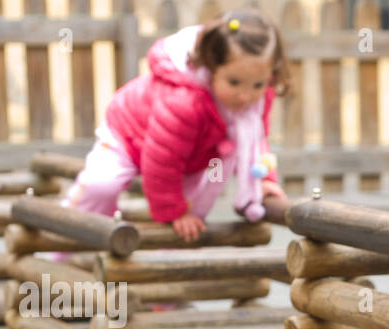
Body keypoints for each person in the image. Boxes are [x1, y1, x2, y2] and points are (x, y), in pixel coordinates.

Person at [60, 10, 289, 242]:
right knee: (101, 186)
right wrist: (174, 211)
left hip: (189, 154)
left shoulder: (259, 98)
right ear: (211, 68)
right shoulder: (184, 103)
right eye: (234, 82)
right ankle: (66, 239)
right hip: (127, 134)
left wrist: (263, 180)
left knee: (194, 209)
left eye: (258, 84)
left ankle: (166, 261)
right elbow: (161, 160)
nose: (245, 96)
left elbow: (254, 141)